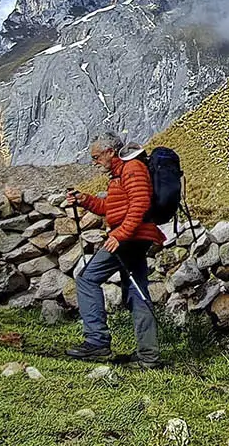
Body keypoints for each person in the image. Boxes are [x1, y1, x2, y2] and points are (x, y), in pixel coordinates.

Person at [63, 133, 165, 367]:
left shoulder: (132, 169)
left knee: (87, 279)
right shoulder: (121, 173)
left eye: (97, 157)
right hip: (136, 237)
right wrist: (85, 200)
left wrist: (119, 234)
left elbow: (140, 205)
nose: (95, 162)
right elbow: (113, 207)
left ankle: (97, 342)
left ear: (110, 152)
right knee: (137, 292)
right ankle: (148, 356)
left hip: (131, 238)